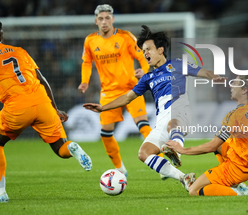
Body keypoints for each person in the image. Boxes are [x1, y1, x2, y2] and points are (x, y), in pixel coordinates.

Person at [83, 25, 226, 190]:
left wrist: (214, 76)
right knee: (143, 154)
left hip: (179, 110)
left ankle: (176, 151)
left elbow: (203, 72)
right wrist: (103, 108)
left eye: (149, 49)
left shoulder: (177, 65)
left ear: (160, 50)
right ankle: (184, 178)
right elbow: (128, 97)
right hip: (161, 120)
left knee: (173, 123)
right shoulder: (147, 78)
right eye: (144, 51)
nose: (145, 54)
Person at [0, 18, 92, 203]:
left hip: (17, 107)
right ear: (1, 35)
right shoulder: (20, 51)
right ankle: (72, 148)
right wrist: (54, 108)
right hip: (42, 102)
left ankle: (1, 194)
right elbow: (42, 78)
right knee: (60, 149)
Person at [166, 73, 248, 196]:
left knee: (194, 190)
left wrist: (182, 150)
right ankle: (235, 184)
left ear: (245, 90)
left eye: (235, 83)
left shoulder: (234, 116)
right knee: (222, 144)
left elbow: (212, 146)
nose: (231, 86)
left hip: (239, 168)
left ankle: (240, 192)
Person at [78, 4, 155, 176]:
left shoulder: (125, 37)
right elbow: (86, 62)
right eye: (100, 18)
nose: (104, 22)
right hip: (108, 93)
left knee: (143, 125)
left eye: (107, 18)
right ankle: (120, 168)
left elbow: (142, 55)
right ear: (95, 21)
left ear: (113, 19)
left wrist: (146, 71)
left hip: (131, 89)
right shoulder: (90, 40)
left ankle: (162, 164)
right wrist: (84, 82)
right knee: (105, 134)